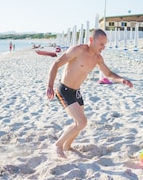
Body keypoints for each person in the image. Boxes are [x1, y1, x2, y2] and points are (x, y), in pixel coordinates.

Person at [46, 29, 133, 157]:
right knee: (82, 122)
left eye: (105, 44)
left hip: (76, 92)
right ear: (91, 40)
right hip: (64, 90)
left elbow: (108, 74)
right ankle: (58, 145)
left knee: (79, 124)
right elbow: (56, 64)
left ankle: (67, 145)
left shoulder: (97, 58)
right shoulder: (77, 50)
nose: (103, 47)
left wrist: (121, 80)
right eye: (101, 44)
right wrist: (50, 86)